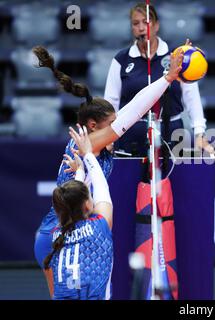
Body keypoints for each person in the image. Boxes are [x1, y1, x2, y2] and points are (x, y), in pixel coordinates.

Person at [32, 45, 182, 297]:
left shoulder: (94, 147)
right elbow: (133, 111)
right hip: (57, 234)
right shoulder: (85, 143)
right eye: (110, 124)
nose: (117, 130)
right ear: (93, 126)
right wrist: (167, 78)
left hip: (75, 231)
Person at [104, 2, 214, 156]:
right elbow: (111, 102)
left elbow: (192, 98)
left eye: (146, 22)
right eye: (136, 23)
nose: (141, 28)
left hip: (172, 132)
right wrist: (107, 137)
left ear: (156, 25)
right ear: (131, 28)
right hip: (131, 133)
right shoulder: (121, 59)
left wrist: (200, 133)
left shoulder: (176, 56)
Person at [45, 124, 113, 299]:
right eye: (90, 197)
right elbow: (101, 186)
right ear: (87, 206)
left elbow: (73, 200)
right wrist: (88, 154)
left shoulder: (55, 236)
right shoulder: (98, 228)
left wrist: (80, 173)